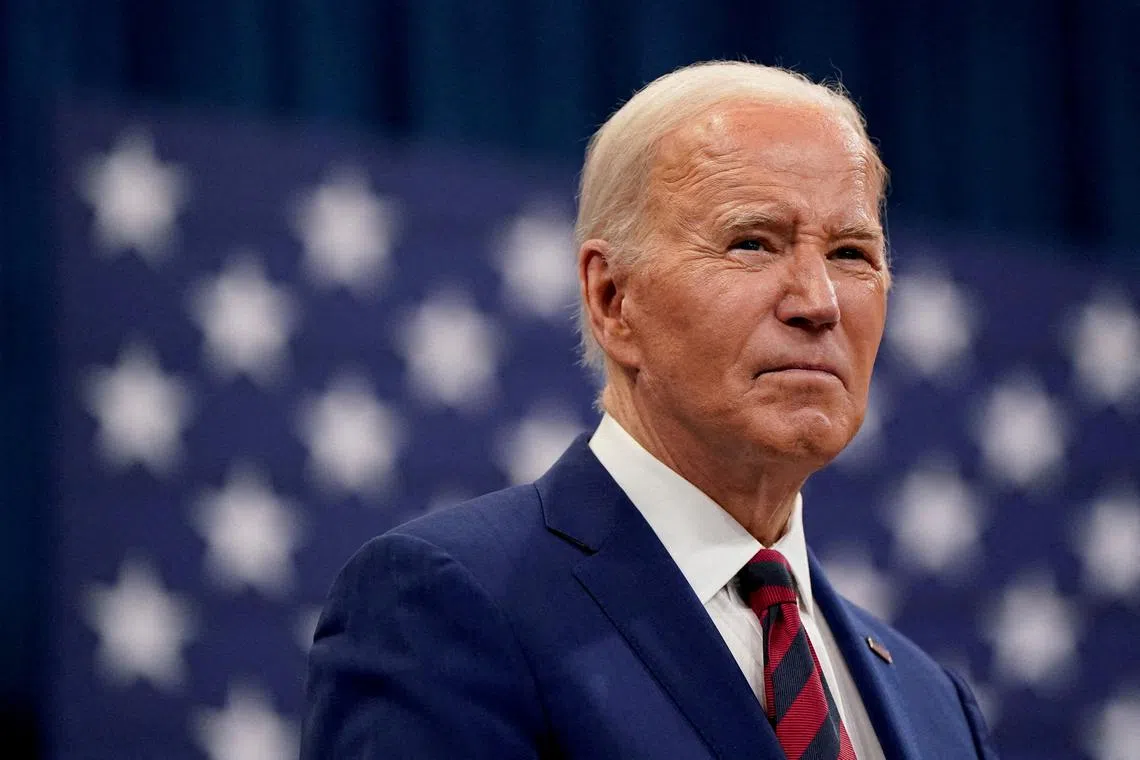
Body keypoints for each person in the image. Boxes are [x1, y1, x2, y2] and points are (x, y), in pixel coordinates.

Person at [302, 61, 999, 759]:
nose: (818, 303)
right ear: (613, 300)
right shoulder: (447, 608)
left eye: (851, 252)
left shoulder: (933, 704)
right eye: (753, 243)